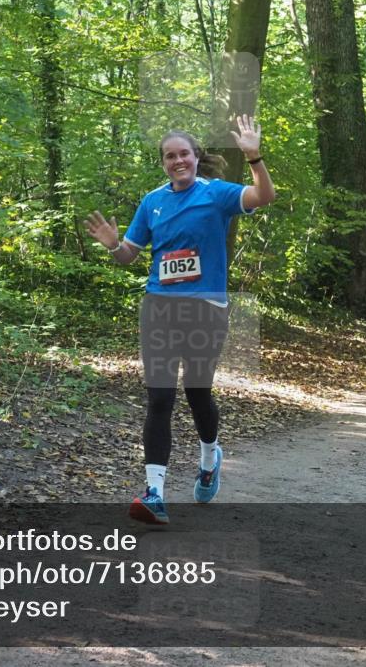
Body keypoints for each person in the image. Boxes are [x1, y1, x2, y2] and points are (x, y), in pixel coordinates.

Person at [83, 115, 275, 524]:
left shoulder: (217, 194)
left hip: (206, 308)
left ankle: (209, 457)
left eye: (184, 153)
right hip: (160, 307)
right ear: (163, 163)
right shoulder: (152, 201)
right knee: (159, 397)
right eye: (170, 156)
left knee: (197, 391)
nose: (178, 161)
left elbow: (264, 197)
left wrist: (254, 156)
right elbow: (128, 256)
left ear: (196, 157)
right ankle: (154, 492)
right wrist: (113, 245)